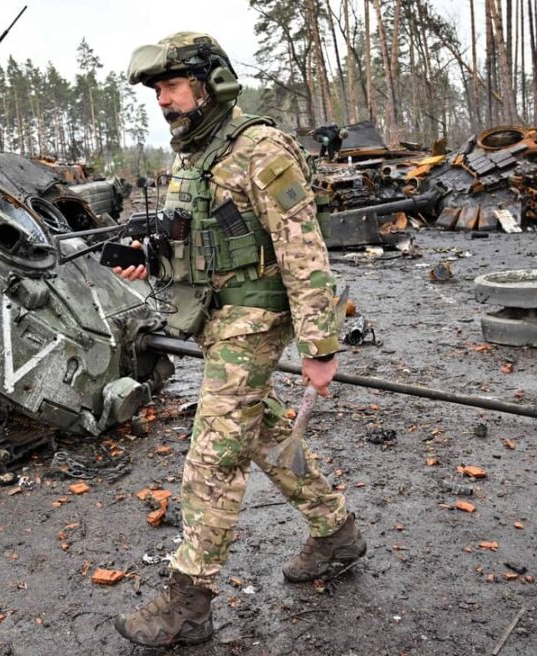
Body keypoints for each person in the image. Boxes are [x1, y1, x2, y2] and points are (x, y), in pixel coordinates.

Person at [112, 32, 366, 648]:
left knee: (214, 454)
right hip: (216, 316)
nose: (163, 101)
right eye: (157, 91)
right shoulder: (192, 155)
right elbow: (199, 239)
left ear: (209, 83)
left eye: (171, 87)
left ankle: (187, 604)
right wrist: (150, 256)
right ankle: (336, 532)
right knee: (259, 429)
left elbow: (304, 251)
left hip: (254, 316)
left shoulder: (262, 148)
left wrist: (320, 347)